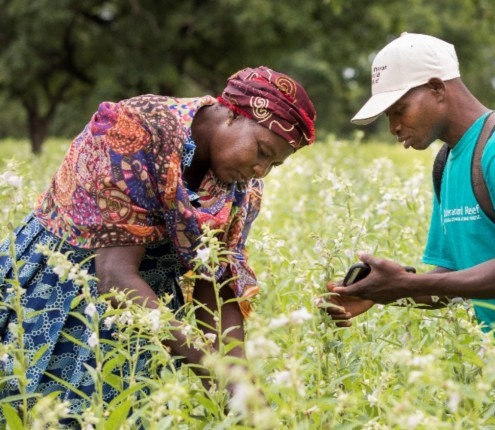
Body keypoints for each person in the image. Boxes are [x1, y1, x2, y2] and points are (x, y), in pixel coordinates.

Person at [322, 32, 495, 428]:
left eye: (398, 109)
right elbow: (447, 280)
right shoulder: (450, 161)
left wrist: (407, 286)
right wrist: (385, 290)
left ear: (437, 88)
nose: (393, 126)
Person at [0, 66, 316, 421]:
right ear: (230, 113)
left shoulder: (241, 189)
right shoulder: (136, 127)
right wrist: (215, 373)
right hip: (63, 289)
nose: (261, 170)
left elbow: (217, 287)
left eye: (273, 164)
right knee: (32, 408)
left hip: (149, 315)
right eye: (261, 151)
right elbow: (115, 277)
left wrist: (243, 390)